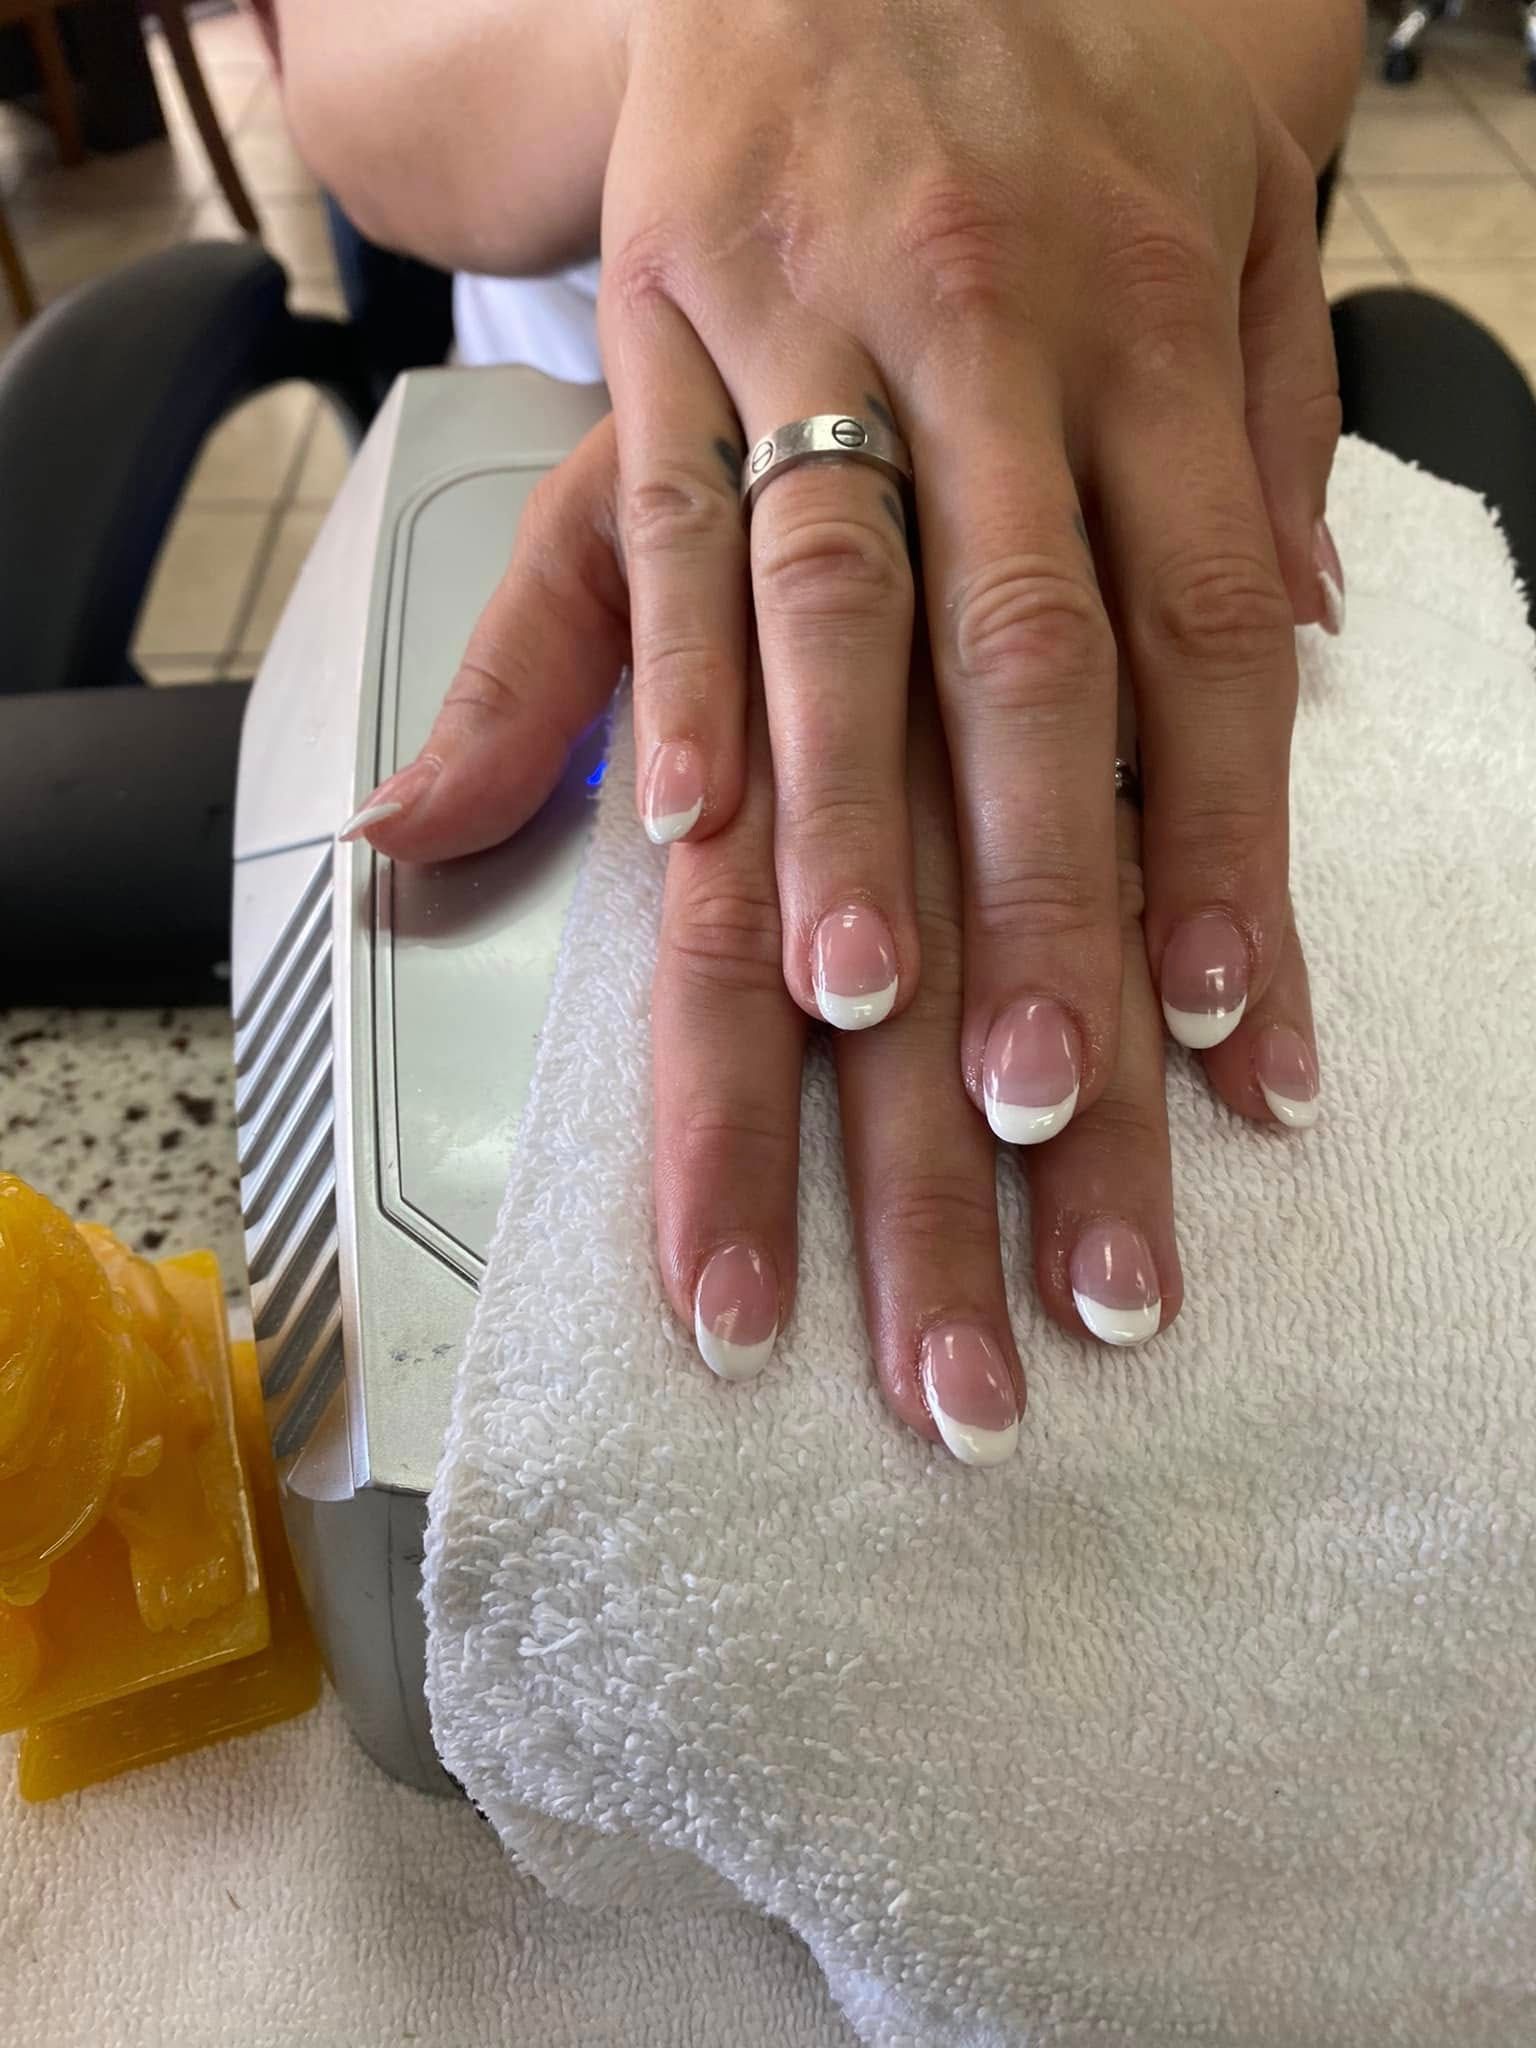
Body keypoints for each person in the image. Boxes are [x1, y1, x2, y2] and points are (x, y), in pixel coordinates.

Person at [259, 0, 1360, 1457]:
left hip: (1104, 372)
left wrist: (1031, 181)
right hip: (579, 398)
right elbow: (343, 89)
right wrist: (708, 43)